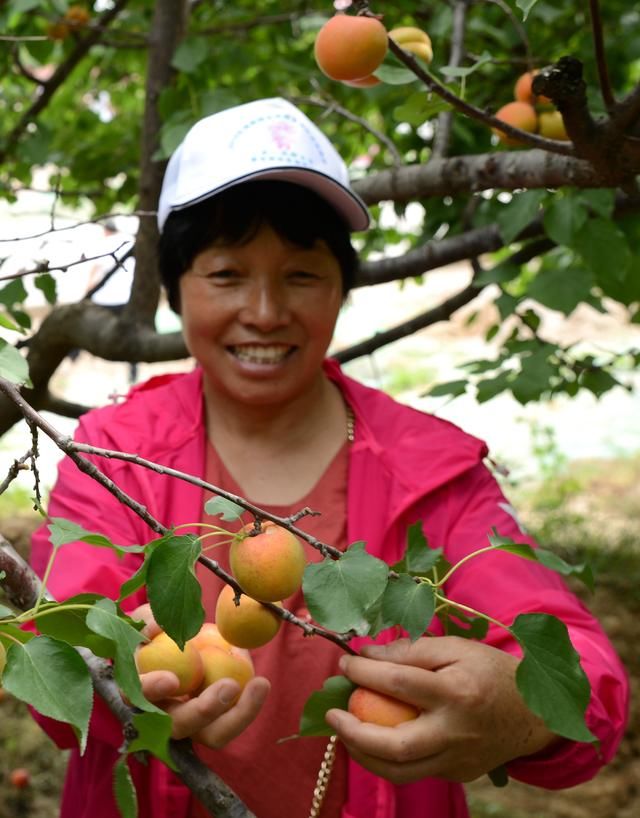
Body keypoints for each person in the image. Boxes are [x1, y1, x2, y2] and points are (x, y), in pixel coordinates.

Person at [29, 97, 628, 818]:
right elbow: (55, 668)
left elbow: (584, 680)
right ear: (175, 288)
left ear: (342, 288)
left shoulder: (430, 468)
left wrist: (522, 714)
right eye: (225, 274)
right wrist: (112, 688)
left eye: (302, 275)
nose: (264, 311)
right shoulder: (115, 456)